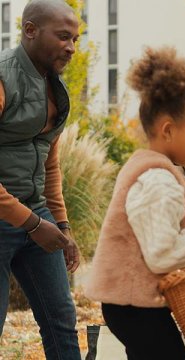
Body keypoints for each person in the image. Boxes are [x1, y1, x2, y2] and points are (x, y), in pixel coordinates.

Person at [84, 47, 185, 360]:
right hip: (134, 305)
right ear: (168, 130)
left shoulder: (151, 170)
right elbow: (162, 255)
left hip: (131, 304)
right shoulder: (158, 181)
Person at [0, 1, 81, 358]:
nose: (71, 47)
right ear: (30, 31)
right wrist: (32, 223)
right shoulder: (3, 78)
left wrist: (61, 225)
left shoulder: (56, 88)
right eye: (63, 36)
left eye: (75, 39)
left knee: (61, 319)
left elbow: (49, 163)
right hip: (12, 218)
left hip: (37, 215)